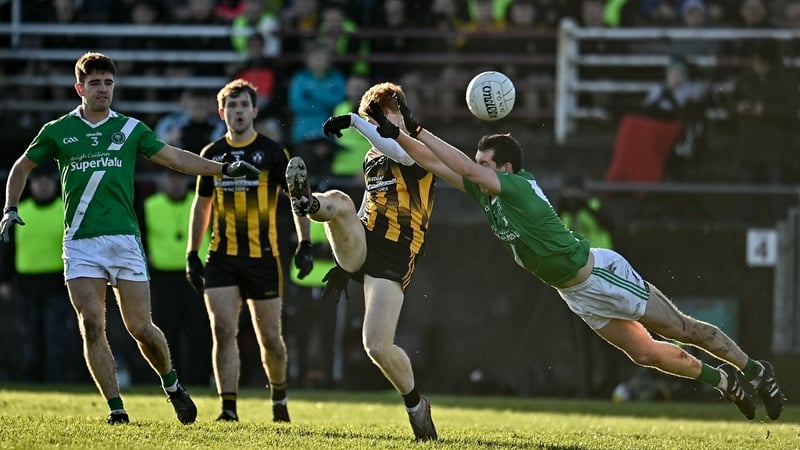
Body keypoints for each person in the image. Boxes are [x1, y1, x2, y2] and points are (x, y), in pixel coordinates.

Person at [357, 93, 785, 422]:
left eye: (485, 161)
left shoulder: (518, 187)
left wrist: (417, 126)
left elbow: (464, 169)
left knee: (681, 328)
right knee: (647, 355)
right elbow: (435, 164)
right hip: (575, 293)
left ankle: (755, 368)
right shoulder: (486, 191)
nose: (476, 165)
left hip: (600, 274)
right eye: (478, 160)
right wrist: (397, 135)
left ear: (504, 169)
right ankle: (724, 381)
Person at [0, 51, 261, 425]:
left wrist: (223, 169)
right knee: (92, 324)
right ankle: (116, 409)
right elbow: (22, 166)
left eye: (108, 83)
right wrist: (10, 207)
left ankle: (171, 385)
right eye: (95, 83)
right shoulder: (58, 130)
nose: (103, 89)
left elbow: (174, 158)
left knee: (140, 327)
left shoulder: (129, 129)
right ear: (80, 88)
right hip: (80, 242)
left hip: (124, 240)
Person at [285, 82, 440, 441]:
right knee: (339, 201)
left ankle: (416, 405)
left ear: (403, 114)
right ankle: (308, 204)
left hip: (397, 250)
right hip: (365, 240)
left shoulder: (417, 147)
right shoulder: (371, 157)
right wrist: (345, 242)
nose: (384, 120)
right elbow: (370, 203)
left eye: (389, 112)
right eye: (378, 114)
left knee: (377, 345)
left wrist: (357, 120)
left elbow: (401, 153)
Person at [185, 78, 314, 423]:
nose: (238, 111)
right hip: (221, 258)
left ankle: (279, 400)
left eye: (244, 105)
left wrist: (305, 243)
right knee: (223, 330)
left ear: (255, 110)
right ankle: (228, 408)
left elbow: (297, 198)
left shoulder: (272, 152)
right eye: (232, 105)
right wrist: (192, 253)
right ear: (221, 112)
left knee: (270, 337)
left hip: (263, 258)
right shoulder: (211, 155)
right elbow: (201, 205)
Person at [0, 162, 81, 383]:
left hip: (58, 282)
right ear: (30, 185)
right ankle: (32, 381)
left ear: (54, 183)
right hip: (26, 284)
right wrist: (5, 279)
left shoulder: (67, 209)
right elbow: (7, 248)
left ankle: (58, 380)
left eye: (46, 181)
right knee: (30, 337)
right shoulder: (19, 212)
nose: (42, 186)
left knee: (56, 336)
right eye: (37, 182)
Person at [142, 170, 212, 386]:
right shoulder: (150, 205)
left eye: (180, 178)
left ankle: (199, 379)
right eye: (170, 178)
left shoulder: (200, 203)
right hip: (163, 279)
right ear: (162, 180)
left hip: (196, 278)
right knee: (167, 332)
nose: (175, 183)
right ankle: (172, 380)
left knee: (198, 331)